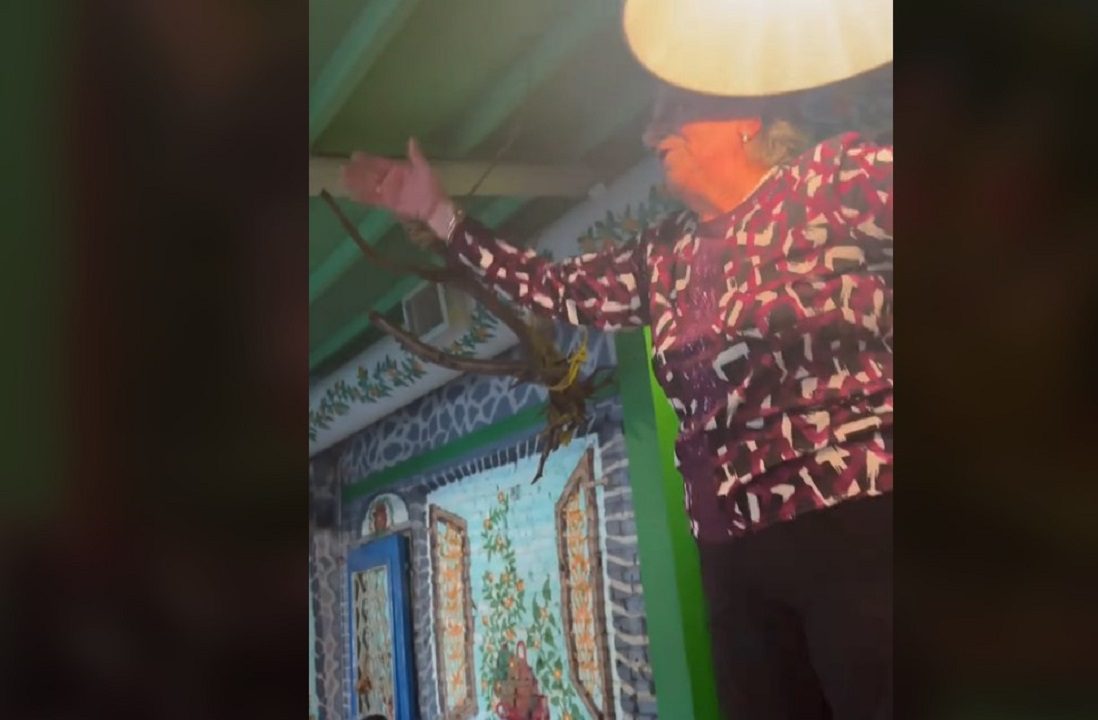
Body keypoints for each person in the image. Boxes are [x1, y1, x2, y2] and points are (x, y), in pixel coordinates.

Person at [343, 7, 892, 719]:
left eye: (671, 113)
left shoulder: (833, 181)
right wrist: (440, 215)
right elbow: (552, 288)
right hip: (731, 550)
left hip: (853, 517)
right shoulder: (663, 255)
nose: (650, 134)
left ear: (745, 116)